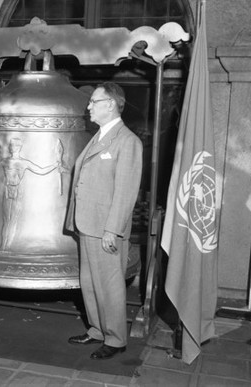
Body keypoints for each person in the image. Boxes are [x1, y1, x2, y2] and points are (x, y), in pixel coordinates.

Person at [65, 82, 143, 360]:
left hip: (105, 228)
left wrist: (113, 229)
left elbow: (125, 191)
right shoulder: (99, 137)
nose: (89, 106)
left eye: (93, 101)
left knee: (109, 284)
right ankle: (98, 330)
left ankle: (116, 338)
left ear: (110, 104)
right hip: (88, 224)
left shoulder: (127, 141)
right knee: (89, 282)